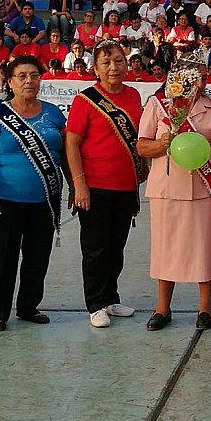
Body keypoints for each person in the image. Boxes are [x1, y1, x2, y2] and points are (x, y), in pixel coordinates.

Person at [136, 48, 211, 331]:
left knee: (205, 246)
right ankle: (162, 308)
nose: (198, 82)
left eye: (202, 76)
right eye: (192, 75)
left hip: (206, 187)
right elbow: (142, 146)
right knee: (166, 247)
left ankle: (205, 307)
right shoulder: (158, 104)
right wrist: (163, 143)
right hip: (168, 187)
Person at [0, 55, 66, 331]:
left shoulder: (53, 113)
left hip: (43, 200)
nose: (29, 81)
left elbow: (64, 153)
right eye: (22, 76)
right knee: (0, 257)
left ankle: (28, 306)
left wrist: (76, 186)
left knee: (37, 256)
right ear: (10, 81)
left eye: (34, 75)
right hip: (5, 200)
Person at [65, 40, 146, 328]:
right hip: (95, 185)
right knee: (96, 247)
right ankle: (96, 303)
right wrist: (79, 185)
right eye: (107, 62)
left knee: (116, 246)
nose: (114, 67)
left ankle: (111, 297)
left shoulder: (135, 96)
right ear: (96, 68)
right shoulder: (84, 100)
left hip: (126, 186)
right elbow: (71, 144)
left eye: (119, 61)